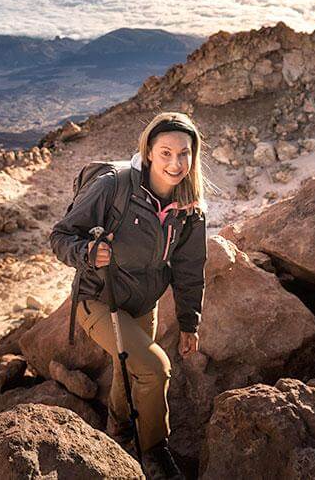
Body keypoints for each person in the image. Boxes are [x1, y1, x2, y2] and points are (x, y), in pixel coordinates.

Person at [49, 112, 209, 480]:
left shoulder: (190, 210)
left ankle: (117, 433)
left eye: (183, 154)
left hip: (142, 303)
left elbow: (188, 269)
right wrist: (88, 252)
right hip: (99, 299)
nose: (175, 163)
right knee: (154, 368)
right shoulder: (114, 186)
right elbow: (60, 236)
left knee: (128, 371)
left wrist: (189, 323)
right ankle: (155, 449)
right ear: (149, 152)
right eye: (165, 152)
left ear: (193, 157)